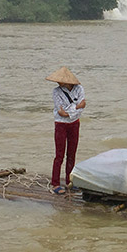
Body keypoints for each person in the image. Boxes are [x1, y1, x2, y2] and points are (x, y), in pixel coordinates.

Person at [46, 66, 86, 194]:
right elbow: (61, 112)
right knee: (59, 155)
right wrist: (75, 108)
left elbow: (83, 105)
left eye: (61, 80)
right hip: (61, 124)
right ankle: (55, 183)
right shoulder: (56, 92)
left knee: (72, 153)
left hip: (75, 124)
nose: (58, 83)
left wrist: (71, 111)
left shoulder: (79, 89)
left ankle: (70, 181)